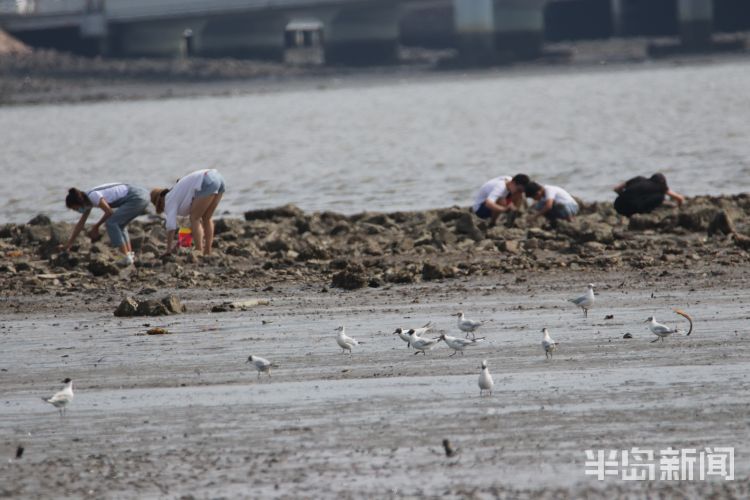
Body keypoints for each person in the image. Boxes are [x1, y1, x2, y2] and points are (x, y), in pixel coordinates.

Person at [62, 183, 150, 266]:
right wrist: (69, 243)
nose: (76, 210)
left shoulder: (93, 196)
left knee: (111, 223)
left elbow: (109, 212)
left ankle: (125, 257)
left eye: (74, 208)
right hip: (142, 195)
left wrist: (96, 226)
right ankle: (129, 256)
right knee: (120, 225)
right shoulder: (87, 200)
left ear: (78, 203)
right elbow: (80, 224)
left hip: (137, 197)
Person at [151, 168, 225, 257]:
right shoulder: (176, 192)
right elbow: (191, 222)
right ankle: (207, 251)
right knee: (206, 217)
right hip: (217, 177)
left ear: (158, 202)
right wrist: (179, 243)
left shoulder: (168, 200)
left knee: (195, 218)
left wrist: (168, 250)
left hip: (206, 180)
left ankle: (199, 251)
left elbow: (171, 227)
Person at [613, 173, 684, 216]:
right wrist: (679, 207)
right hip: (630, 211)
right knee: (660, 197)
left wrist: (625, 197)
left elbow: (616, 189)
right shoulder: (660, 186)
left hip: (617, 205)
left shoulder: (638, 179)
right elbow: (679, 198)